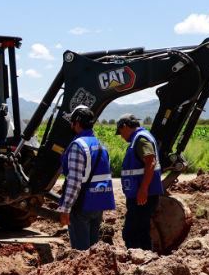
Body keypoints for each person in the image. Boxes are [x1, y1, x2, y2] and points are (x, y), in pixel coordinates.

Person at [57, 106, 116, 250]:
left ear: (77, 123)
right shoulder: (101, 146)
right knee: (93, 252)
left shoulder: (78, 145)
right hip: (99, 203)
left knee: (80, 252)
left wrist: (66, 208)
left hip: (82, 204)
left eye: (72, 122)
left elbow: (74, 181)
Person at [116, 113, 161, 251]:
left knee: (133, 233)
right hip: (139, 194)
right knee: (139, 231)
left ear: (125, 126)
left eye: (120, 132)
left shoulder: (141, 139)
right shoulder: (138, 139)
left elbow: (150, 162)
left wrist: (143, 189)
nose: (121, 136)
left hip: (142, 196)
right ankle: (143, 257)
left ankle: (138, 259)